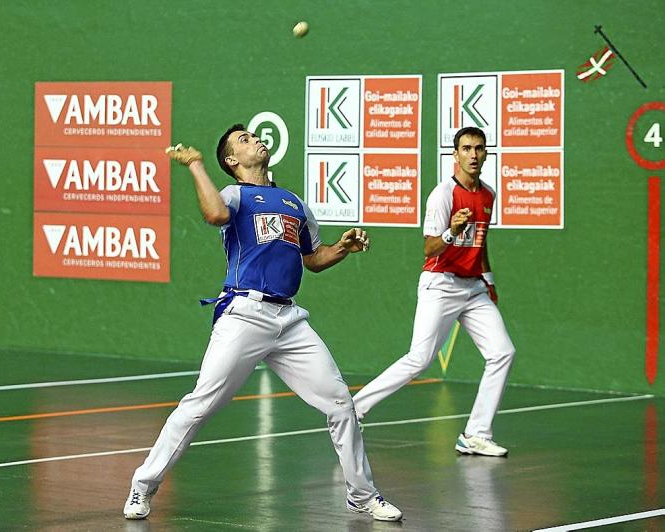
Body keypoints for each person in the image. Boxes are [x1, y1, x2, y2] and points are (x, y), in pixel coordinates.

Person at [123, 124, 402, 521]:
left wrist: (342, 247)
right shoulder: (234, 194)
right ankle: (142, 486)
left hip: (289, 319)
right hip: (244, 314)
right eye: (244, 139)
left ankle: (362, 495)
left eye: (254, 135)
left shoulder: (293, 203)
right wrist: (197, 165)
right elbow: (215, 214)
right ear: (233, 161)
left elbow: (314, 259)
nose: (255, 139)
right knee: (199, 405)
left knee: (341, 405)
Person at [352, 126, 515, 457]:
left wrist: (490, 280)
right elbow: (429, 248)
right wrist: (452, 230)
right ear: (455, 155)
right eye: (466, 148)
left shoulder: (488, 195)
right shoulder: (443, 194)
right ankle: (353, 410)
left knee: (502, 352)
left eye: (479, 148)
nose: (473, 154)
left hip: (473, 288)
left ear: (486, 154)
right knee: (419, 359)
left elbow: (481, 245)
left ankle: (476, 434)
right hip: (440, 284)